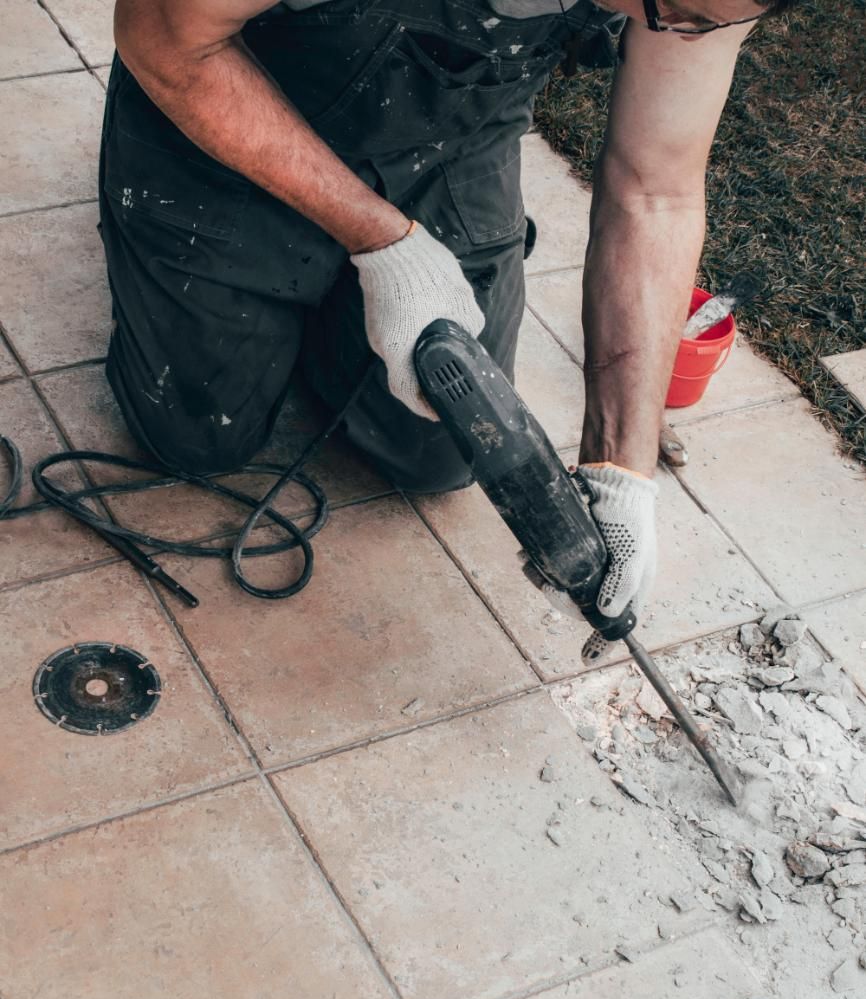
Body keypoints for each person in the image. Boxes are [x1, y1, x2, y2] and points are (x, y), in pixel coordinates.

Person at [101, 0, 791, 641]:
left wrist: (621, 466)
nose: (674, 24)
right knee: (193, 435)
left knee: (447, 451)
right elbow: (164, 40)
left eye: (693, 22)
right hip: (234, 98)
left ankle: (323, 297)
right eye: (668, 6)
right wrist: (383, 244)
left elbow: (656, 190)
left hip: (445, 139)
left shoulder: (705, 1)